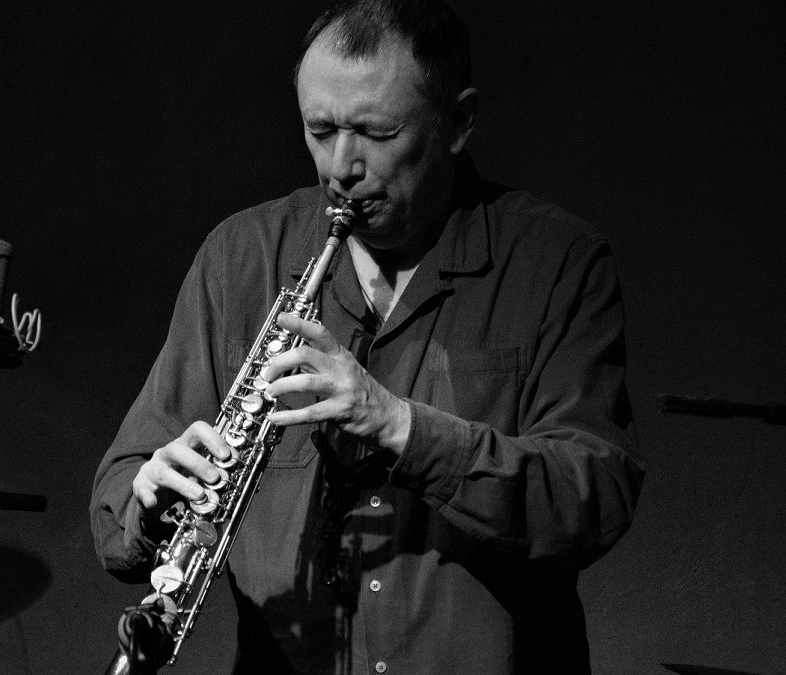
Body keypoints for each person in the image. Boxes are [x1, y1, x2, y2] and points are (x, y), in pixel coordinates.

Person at [91, 0, 645, 672]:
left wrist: (401, 427)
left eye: (377, 133)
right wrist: (149, 501)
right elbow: (115, 506)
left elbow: (598, 494)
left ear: (459, 122)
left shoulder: (559, 261)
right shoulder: (240, 257)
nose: (341, 166)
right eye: (320, 129)